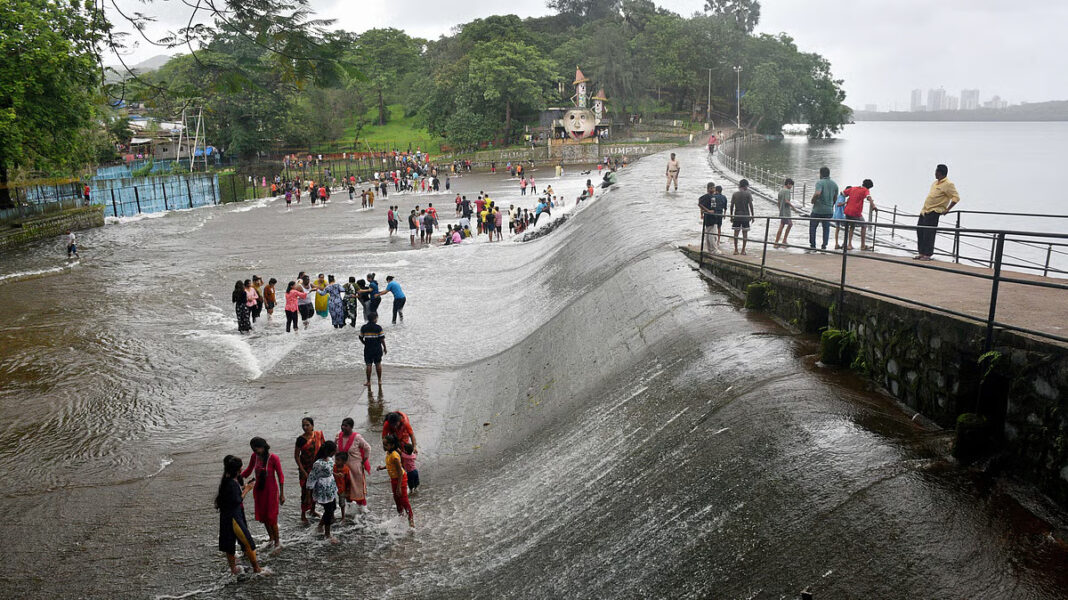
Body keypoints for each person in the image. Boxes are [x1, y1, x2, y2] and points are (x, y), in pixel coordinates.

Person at [215, 455, 263, 575]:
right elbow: (237, 500)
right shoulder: (231, 483)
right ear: (236, 470)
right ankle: (257, 568)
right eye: (240, 467)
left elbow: (233, 495)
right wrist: (247, 489)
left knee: (229, 545)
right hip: (234, 517)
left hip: (225, 517)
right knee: (248, 543)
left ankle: (233, 570)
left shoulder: (227, 480)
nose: (242, 468)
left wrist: (243, 487)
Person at [239, 437, 284, 554]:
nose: (255, 452)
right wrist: (237, 476)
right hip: (259, 491)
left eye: (257, 449)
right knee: (263, 517)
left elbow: (280, 476)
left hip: (271, 492)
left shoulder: (273, 458)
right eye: (253, 450)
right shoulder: (254, 457)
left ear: (263, 447)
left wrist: (282, 494)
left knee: (272, 517)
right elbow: (249, 470)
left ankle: (277, 542)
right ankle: (271, 538)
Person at [916, 164, 959, 261]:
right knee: (920, 231)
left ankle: (927, 254)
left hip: (934, 212)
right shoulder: (935, 183)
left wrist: (948, 209)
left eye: (936, 171)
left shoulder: (948, 184)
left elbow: (956, 197)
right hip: (925, 211)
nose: (935, 173)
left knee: (929, 233)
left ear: (940, 173)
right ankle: (921, 253)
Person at [305, 440, 340, 543]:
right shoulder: (318, 463)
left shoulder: (329, 459)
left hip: (330, 486)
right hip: (323, 488)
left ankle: (320, 525)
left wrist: (335, 475)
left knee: (333, 507)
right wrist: (308, 495)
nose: (335, 453)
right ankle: (327, 534)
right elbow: (312, 477)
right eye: (334, 451)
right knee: (329, 510)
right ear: (329, 451)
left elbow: (330, 471)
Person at [376, 434, 414, 528]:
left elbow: (400, 472)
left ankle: (411, 519)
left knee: (404, 500)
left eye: (386, 445)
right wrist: (382, 467)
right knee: (396, 499)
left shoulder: (395, 456)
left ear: (392, 445)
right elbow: (390, 465)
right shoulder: (389, 453)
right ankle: (401, 516)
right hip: (394, 479)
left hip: (401, 479)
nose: (384, 447)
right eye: (383, 444)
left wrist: (399, 487)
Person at [294, 417, 325, 526]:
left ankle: (312, 510)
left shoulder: (318, 435)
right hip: (305, 468)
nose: (305, 427)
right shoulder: (301, 440)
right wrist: (302, 470)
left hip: (317, 468)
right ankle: (303, 514)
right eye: (303, 425)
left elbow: (324, 449)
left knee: (315, 489)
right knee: (305, 491)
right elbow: (296, 456)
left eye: (307, 425)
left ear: (312, 425)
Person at [336, 418, 371, 509]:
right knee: (346, 489)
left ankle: (363, 510)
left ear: (351, 427)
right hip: (343, 468)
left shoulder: (357, 437)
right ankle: (349, 510)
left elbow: (367, 448)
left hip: (355, 468)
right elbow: (336, 451)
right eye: (342, 425)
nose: (343, 427)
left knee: (357, 489)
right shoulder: (339, 436)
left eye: (346, 426)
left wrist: (364, 460)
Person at [809, 167, 838, 251]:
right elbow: (835, 198)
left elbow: (817, 193)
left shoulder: (820, 182)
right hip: (828, 210)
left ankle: (813, 245)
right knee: (826, 228)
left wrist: (813, 200)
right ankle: (824, 245)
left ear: (821, 174)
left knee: (813, 227)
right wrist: (831, 206)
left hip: (818, 210)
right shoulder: (834, 184)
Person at [843, 179, 877, 251]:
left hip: (847, 210)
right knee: (864, 225)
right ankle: (862, 245)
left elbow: (843, 193)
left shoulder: (853, 188)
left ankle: (849, 244)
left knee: (852, 226)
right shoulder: (865, 190)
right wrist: (873, 206)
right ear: (868, 187)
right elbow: (869, 197)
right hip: (855, 212)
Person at [359, 312, 386, 387]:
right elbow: (382, 339)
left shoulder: (364, 327)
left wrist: (364, 343)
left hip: (368, 349)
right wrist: (385, 348)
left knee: (368, 365)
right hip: (377, 348)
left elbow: (360, 337)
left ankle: (368, 381)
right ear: (374, 319)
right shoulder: (378, 327)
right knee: (378, 364)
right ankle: (379, 380)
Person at [730, 179, 755, 255]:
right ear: (745, 186)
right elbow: (751, 205)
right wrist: (752, 216)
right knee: (745, 233)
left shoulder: (735, 194)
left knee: (736, 233)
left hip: (737, 215)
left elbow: (731, 206)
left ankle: (736, 250)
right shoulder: (748, 194)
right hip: (745, 215)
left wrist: (731, 216)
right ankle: (743, 250)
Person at [697, 182, 720, 253]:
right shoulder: (708, 196)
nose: (713, 189)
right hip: (711, 217)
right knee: (712, 235)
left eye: (714, 188)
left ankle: (710, 249)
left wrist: (704, 211)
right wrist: (707, 210)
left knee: (708, 234)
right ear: (708, 189)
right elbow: (699, 203)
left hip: (709, 217)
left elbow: (700, 203)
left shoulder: (712, 196)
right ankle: (714, 250)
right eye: (712, 188)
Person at [775, 179, 798, 248]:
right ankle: (783, 241)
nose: (791, 187)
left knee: (782, 225)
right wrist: (793, 207)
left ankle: (777, 242)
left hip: (782, 211)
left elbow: (778, 203)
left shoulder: (781, 191)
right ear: (788, 184)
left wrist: (780, 210)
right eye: (791, 185)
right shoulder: (787, 191)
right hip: (786, 212)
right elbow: (787, 201)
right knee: (789, 224)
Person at [333, 452, 356, 521]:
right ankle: (332, 515)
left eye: (338, 460)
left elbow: (348, 481)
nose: (336, 461)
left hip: (342, 489)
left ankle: (343, 517)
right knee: (332, 502)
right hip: (333, 488)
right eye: (335, 459)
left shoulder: (346, 469)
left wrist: (348, 490)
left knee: (342, 503)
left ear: (344, 462)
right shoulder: (333, 467)